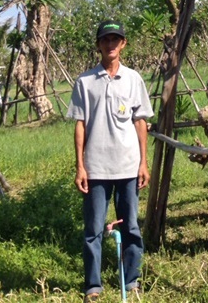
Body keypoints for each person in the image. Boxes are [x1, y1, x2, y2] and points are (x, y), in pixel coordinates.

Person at [67, 20, 154, 302]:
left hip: (128, 165)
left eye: (116, 39)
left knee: (130, 226)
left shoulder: (133, 79)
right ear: (98, 45)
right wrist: (80, 166)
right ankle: (93, 285)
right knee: (92, 229)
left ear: (123, 44)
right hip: (96, 168)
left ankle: (132, 280)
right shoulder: (85, 81)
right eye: (105, 39)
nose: (110, 44)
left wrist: (143, 162)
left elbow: (140, 122)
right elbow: (79, 125)